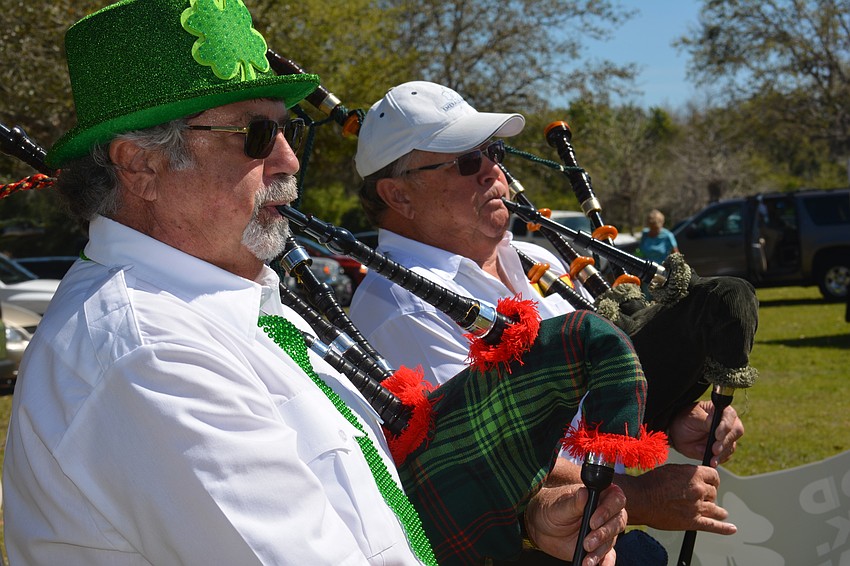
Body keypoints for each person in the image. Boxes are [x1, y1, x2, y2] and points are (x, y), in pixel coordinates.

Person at [1, 2, 629, 565]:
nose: (289, 161)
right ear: (140, 165)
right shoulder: (150, 354)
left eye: (287, 129)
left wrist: (524, 519)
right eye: (255, 135)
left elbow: (366, 512)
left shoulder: (236, 302)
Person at [349, 81, 744, 545]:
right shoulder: (397, 304)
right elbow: (488, 456)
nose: (494, 172)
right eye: (467, 160)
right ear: (399, 196)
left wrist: (674, 419)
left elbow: (588, 392)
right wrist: (637, 495)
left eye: (494, 151)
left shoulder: (539, 260)